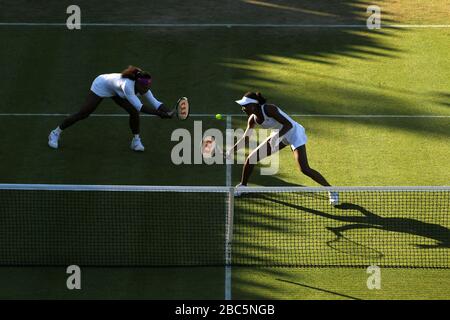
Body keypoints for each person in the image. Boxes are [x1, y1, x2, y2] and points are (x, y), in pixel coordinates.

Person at [228, 91, 339, 205]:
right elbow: (246, 138)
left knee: (304, 169)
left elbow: (288, 125)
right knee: (251, 158)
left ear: (253, 105)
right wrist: (232, 150)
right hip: (279, 135)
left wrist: (275, 137)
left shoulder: (269, 109)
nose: (243, 109)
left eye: (245, 106)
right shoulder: (252, 119)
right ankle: (243, 186)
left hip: (294, 133)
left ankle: (332, 190)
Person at [48, 66, 174, 152]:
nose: (146, 90)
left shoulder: (143, 86)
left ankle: (136, 141)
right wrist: (160, 114)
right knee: (84, 113)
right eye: (145, 87)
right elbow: (140, 107)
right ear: (137, 84)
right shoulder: (127, 86)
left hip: (117, 91)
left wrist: (168, 111)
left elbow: (156, 103)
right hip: (102, 85)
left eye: (148, 87)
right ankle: (55, 133)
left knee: (133, 113)